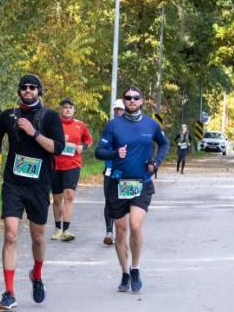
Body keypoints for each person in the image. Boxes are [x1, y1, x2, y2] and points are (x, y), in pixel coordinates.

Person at [0, 74, 65, 311]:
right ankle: (9, 292)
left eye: (32, 87)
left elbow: (58, 149)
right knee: (10, 235)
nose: (27, 90)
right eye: (24, 87)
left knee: (38, 237)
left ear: (39, 90)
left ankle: (37, 275)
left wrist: (34, 133)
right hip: (13, 184)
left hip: (39, 185)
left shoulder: (50, 116)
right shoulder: (9, 115)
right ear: (19, 91)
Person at [94, 85, 168, 293]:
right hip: (118, 183)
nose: (132, 101)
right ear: (124, 101)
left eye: (136, 98)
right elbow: (99, 152)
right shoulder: (113, 126)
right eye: (128, 98)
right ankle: (125, 273)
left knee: (135, 225)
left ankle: (135, 268)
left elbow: (163, 144)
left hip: (141, 182)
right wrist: (115, 153)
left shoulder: (151, 125)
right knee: (120, 231)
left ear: (142, 101)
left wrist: (157, 162)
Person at [50, 98, 92, 242]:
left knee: (69, 195)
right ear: (61, 110)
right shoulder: (54, 124)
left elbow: (88, 140)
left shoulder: (80, 125)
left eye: (70, 107)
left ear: (73, 110)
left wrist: (83, 147)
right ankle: (57, 228)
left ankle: (66, 230)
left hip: (73, 164)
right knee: (57, 198)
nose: (67, 109)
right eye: (65, 107)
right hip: (55, 164)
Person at [102, 99, 125, 245]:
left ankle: (122, 232)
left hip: (127, 171)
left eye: (120, 109)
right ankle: (109, 232)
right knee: (109, 200)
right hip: (110, 169)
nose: (118, 112)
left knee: (124, 202)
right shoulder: (110, 127)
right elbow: (102, 148)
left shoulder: (133, 127)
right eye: (116, 109)